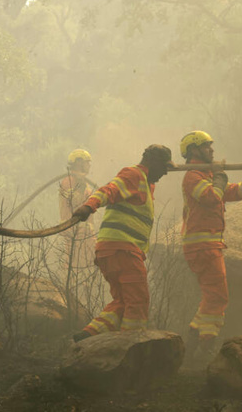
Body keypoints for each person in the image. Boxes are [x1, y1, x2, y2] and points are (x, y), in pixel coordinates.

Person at [69, 145, 176, 342]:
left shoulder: (146, 183)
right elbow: (109, 190)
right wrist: (88, 206)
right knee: (138, 301)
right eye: (163, 167)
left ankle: (88, 335)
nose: (165, 173)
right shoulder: (134, 174)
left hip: (112, 251)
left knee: (122, 302)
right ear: (152, 162)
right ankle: (130, 345)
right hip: (123, 250)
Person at [179, 130, 242, 358]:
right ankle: (206, 344)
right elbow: (211, 197)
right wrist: (219, 175)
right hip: (203, 246)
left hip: (207, 246)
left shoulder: (206, 176)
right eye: (207, 146)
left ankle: (194, 338)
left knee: (212, 295)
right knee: (218, 296)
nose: (212, 150)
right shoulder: (193, 177)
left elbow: (237, 192)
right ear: (194, 151)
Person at [59, 149, 96, 267]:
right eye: (87, 162)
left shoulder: (85, 185)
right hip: (74, 230)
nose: (89, 165)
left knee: (91, 263)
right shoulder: (69, 181)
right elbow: (74, 202)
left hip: (86, 232)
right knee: (74, 265)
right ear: (78, 162)